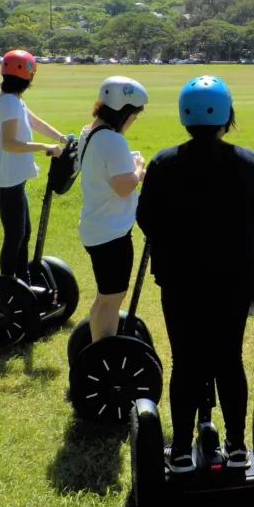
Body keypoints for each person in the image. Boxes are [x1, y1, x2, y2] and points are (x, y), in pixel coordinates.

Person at [136, 76, 254, 473]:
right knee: (230, 359)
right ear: (227, 114)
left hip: (180, 282)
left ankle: (178, 450)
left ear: (184, 115)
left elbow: (146, 219)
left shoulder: (162, 163)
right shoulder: (247, 162)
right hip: (232, 281)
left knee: (186, 361)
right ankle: (236, 447)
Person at [76, 76, 148, 342]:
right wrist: (139, 168)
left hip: (96, 226)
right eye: (133, 116)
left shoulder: (91, 131)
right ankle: (105, 356)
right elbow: (124, 186)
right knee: (111, 300)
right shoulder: (113, 140)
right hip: (111, 233)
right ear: (124, 111)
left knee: (104, 297)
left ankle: (97, 347)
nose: (133, 121)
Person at [0, 50, 67, 286]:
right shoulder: (9, 102)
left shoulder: (11, 99)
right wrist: (45, 146)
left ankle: (23, 282)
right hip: (6, 181)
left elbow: (34, 121)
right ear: (27, 76)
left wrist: (61, 138)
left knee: (23, 234)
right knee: (15, 237)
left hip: (12, 180)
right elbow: (9, 143)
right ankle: (9, 285)